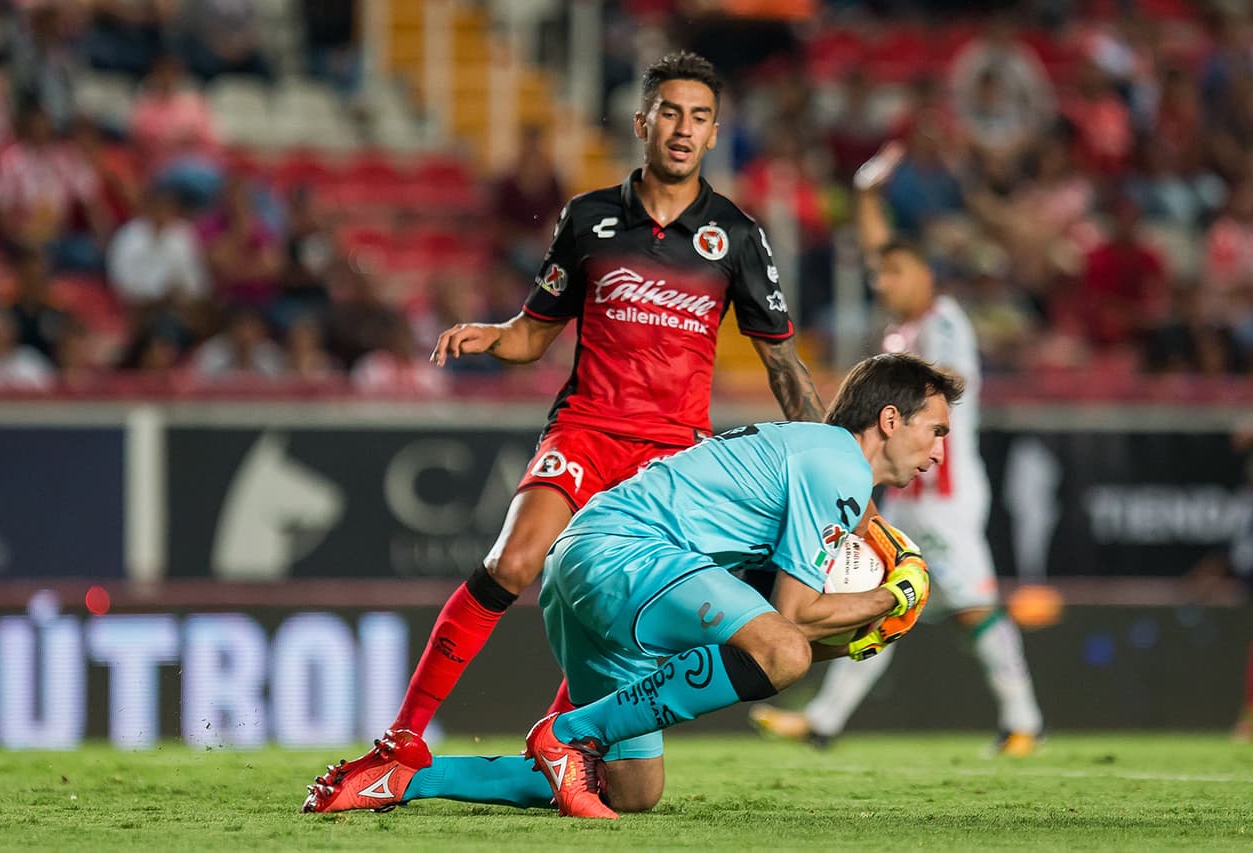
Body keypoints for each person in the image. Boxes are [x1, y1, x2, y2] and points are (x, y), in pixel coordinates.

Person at [302, 51, 826, 813]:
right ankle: (402, 739)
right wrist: (494, 335)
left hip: (674, 461)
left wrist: (829, 460)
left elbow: (782, 364)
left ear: (715, 134)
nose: (683, 129)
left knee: (632, 772)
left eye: (700, 117)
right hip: (587, 428)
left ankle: (554, 744)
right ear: (643, 122)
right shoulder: (589, 218)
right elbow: (533, 333)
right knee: (514, 560)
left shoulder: (738, 235)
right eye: (670, 113)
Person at [302, 352, 958, 818]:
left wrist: (850, 639)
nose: (938, 451)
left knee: (631, 788)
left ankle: (405, 778)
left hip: (588, 564)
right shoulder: (841, 467)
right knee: (778, 651)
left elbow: (769, 631)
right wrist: (896, 595)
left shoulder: (813, 452)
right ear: (890, 419)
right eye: (936, 431)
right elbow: (792, 620)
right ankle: (569, 732)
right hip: (626, 554)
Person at [749, 142, 1045, 756]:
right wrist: (865, 197)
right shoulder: (905, 326)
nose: (881, 283)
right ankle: (825, 719)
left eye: (891, 275)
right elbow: (885, 252)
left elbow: (939, 391)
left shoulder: (943, 324)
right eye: (878, 276)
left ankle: (1024, 721)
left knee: (972, 607)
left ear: (923, 276)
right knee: (876, 596)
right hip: (906, 491)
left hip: (943, 497)